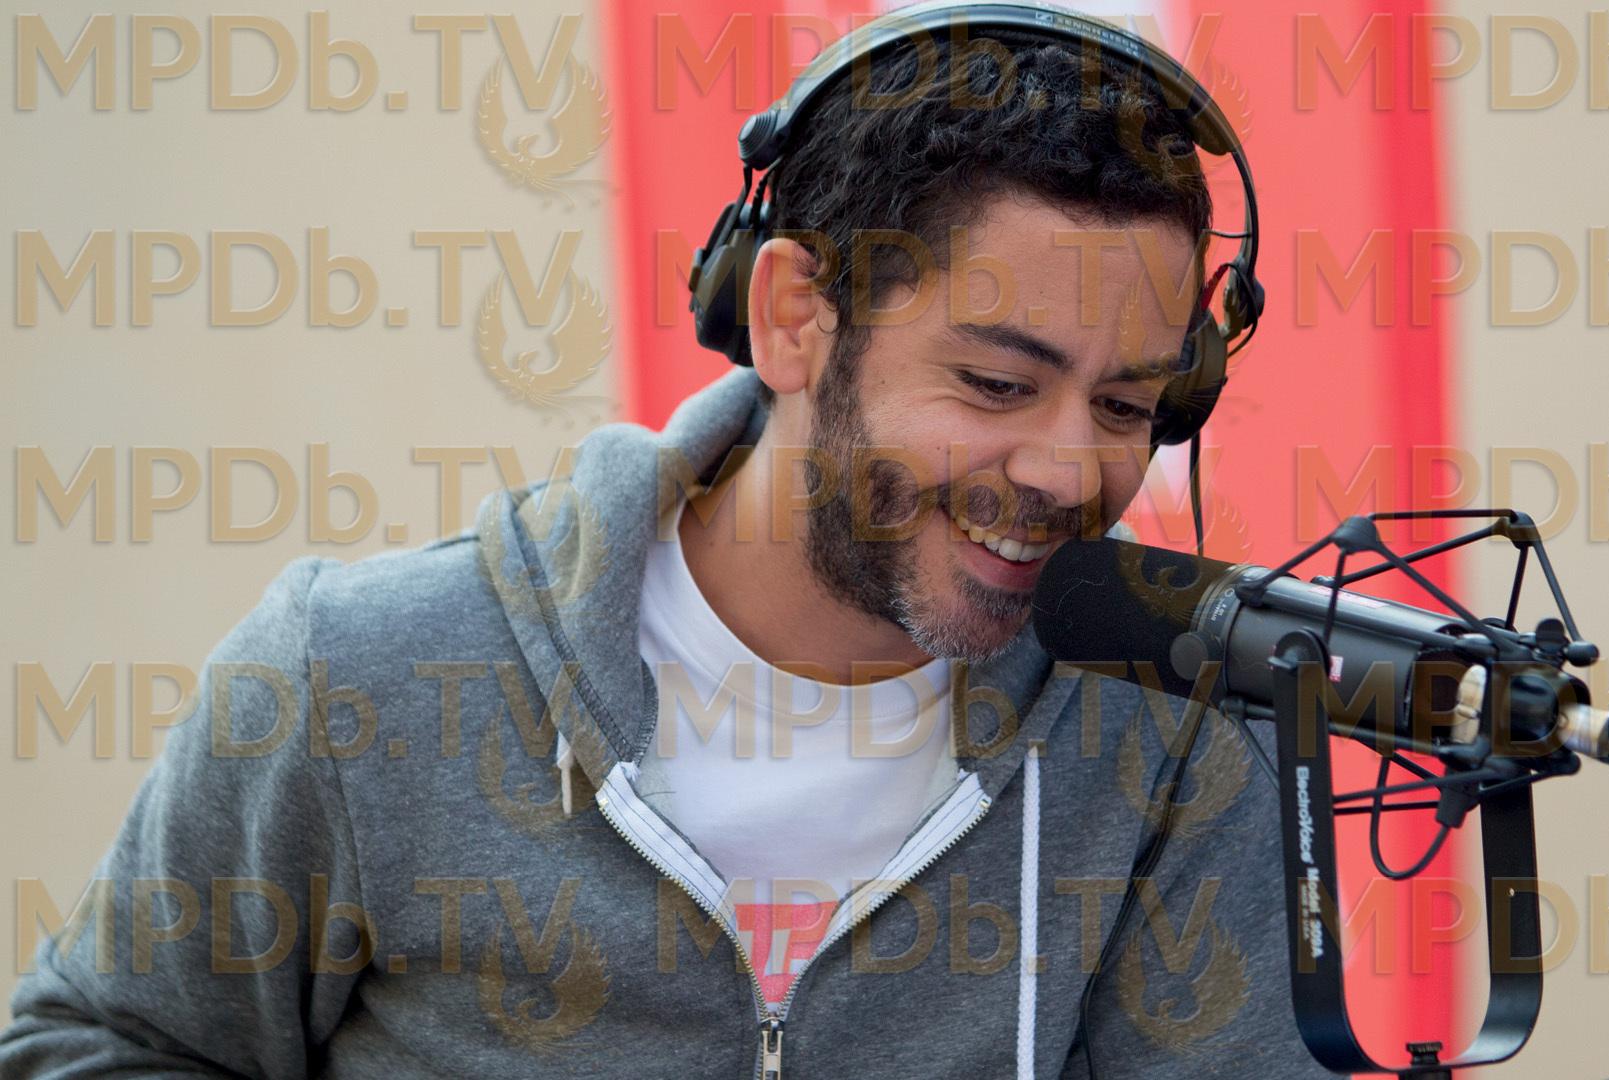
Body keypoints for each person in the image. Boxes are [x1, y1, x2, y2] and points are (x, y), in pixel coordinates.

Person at [3, 8, 1331, 1078]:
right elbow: (93, 1046)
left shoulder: (1179, 741)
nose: (1066, 470)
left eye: (1126, 406)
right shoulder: (359, 676)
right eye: (994, 383)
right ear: (795, 315)